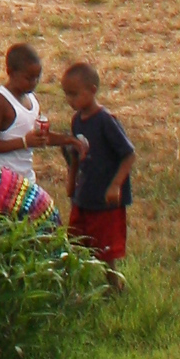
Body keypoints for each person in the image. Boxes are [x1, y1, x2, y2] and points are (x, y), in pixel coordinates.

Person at [41, 59, 135, 270]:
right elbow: (76, 155)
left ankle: (113, 284)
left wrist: (115, 185)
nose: (70, 100)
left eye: (74, 94)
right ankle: (77, 280)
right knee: (75, 243)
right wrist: (72, 180)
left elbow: (129, 155)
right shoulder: (77, 121)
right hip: (84, 196)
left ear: (92, 90)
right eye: (66, 94)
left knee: (105, 250)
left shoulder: (105, 121)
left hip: (105, 201)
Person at [0, 41, 47, 173]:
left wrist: (69, 141)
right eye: (28, 78)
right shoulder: (0, 102)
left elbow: (38, 136)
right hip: (0, 176)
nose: (34, 83)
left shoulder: (32, 99)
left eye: (37, 78)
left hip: (25, 176)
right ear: (10, 72)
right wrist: (24, 142)